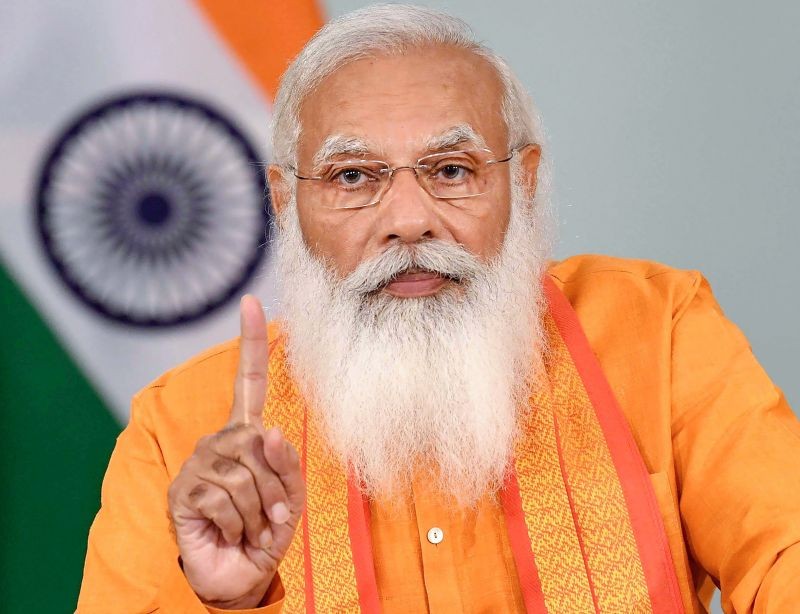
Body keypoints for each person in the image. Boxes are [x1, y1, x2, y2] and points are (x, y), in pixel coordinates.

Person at [77, 4, 800, 613]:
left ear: (525, 180)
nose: (410, 220)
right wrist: (230, 604)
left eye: (451, 170)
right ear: (286, 201)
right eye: (353, 176)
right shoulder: (178, 428)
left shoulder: (660, 331)